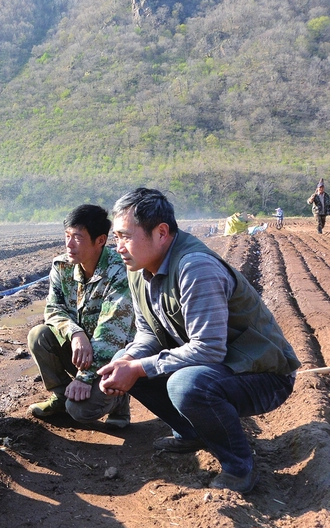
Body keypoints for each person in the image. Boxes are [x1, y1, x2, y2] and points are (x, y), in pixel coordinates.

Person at [98, 188, 300, 494]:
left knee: (185, 384)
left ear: (161, 232)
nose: (119, 247)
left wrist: (138, 367)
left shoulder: (195, 267)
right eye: (116, 238)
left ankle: (239, 466)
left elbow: (209, 348)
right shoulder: (139, 269)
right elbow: (148, 333)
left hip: (264, 374)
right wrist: (127, 362)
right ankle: (191, 432)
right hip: (224, 367)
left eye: (125, 236)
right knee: (129, 363)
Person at [27, 205, 134, 428]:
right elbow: (53, 309)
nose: (69, 244)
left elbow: (112, 333)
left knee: (80, 411)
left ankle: (119, 403)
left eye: (77, 237)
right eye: (67, 236)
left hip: (113, 356)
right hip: (81, 349)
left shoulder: (119, 271)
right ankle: (60, 396)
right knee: (39, 335)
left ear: (100, 240)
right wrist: (75, 333)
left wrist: (84, 378)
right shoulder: (62, 266)